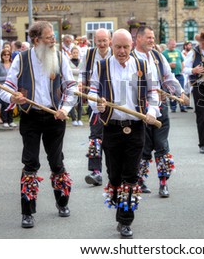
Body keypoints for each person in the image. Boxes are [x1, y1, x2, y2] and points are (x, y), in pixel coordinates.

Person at [0, 21, 77, 229]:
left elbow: (71, 87)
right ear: (36, 40)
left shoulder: (60, 57)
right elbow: (4, 89)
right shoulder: (21, 59)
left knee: (56, 162)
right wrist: (13, 98)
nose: (54, 41)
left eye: (53, 37)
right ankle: (27, 212)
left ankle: (62, 203)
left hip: (55, 117)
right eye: (49, 37)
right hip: (30, 117)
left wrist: (65, 109)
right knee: (30, 163)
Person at [88, 28, 160, 238]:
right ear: (111, 45)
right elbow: (92, 91)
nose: (121, 51)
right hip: (111, 127)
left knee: (131, 175)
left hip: (137, 127)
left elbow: (153, 92)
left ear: (131, 46)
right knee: (114, 175)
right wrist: (97, 105)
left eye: (125, 47)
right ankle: (120, 207)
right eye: (118, 46)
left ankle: (125, 220)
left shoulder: (143, 65)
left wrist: (151, 111)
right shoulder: (101, 67)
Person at [133, 26, 184, 197]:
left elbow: (169, 77)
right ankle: (140, 180)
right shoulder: (131, 58)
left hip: (160, 106)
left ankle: (163, 183)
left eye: (153, 38)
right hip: (140, 110)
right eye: (148, 37)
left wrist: (181, 93)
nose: (152, 41)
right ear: (138, 38)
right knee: (144, 146)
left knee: (161, 145)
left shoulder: (157, 56)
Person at [79, 28, 112, 186]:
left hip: (114, 102)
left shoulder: (116, 52)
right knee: (95, 138)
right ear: (94, 41)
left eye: (104, 40)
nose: (102, 44)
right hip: (95, 99)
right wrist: (81, 82)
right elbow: (81, 72)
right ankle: (95, 172)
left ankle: (113, 171)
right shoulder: (89, 54)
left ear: (109, 40)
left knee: (113, 138)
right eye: (99, 41)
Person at [162, 38, 187, 113]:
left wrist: (182, 69)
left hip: (179, 74)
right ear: (168, 44)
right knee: (172, 91)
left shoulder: (178, 51)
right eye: (172, 44)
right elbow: (163, 65)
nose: (173, 45)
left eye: (174, 44)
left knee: (181, 90)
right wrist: (169, 65)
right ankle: (173, 107)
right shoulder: (164, 53)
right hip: (171, 76)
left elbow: (182, 61)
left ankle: (182, 106)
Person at [0, 48, 16, 128]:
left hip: (12, 88)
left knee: (12, 104)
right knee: (4, 105)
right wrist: (6, 78)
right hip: (2, 88)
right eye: (4, 55)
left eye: (8, 55)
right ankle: (5, 120)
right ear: (2, 56)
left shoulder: (13, 65)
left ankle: (11, 120)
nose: (6, 56)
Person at [68, 47, 83, 126]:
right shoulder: (68, 62)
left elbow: (82, 73)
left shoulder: (81, 62)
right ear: (71, 53)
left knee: (80, 102)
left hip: (79, 84)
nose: (75, 54)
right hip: (71, 84)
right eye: (74, 52)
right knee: (70, 102)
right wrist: (77, 71)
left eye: (77, 53)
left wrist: (81, 82)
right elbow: (68, 72)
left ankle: (79, 119)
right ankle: (73, 119)